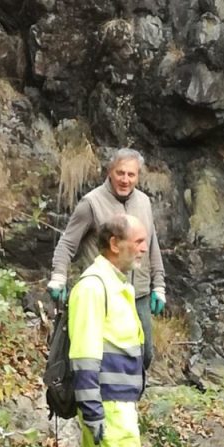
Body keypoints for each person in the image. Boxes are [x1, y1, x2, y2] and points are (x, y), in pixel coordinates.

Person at [69, 213, 150, 447]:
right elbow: (83, 354)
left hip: (115, 404)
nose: (144, 249)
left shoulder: (116, 284)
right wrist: (93, 411)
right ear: (115, 244)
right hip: (109, 406)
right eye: (138, 241)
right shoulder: (94, 287)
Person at [48, 148, 166, 368]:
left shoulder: (144, 202)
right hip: (103, 293)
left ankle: (128, 398)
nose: (125, 180)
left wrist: (159, 286)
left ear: (138, 176)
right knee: (104, 355)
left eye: (131, 175)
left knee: (144, 354)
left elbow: (151, 246)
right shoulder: (91, 203)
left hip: (137, 295)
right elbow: (66, 244)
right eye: (120, 173)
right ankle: (99, 397)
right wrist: (58, 276)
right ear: (110, 171)